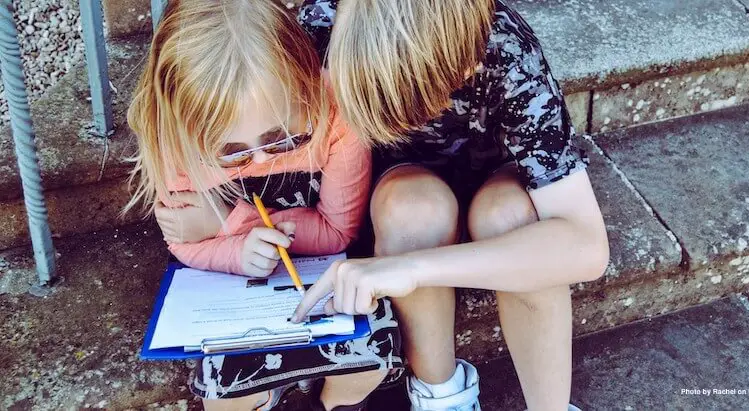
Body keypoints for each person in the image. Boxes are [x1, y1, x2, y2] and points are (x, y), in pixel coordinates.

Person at [292, 1, 610, 410]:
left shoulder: (502, 45)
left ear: (464, 66)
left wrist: (414, 268)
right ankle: (442, 396)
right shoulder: (322, 26)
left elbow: (585, 245)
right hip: (400, 197)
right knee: (411, 209)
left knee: (509, 215)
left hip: (496, 182)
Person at [124, 1, 402, 409]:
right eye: (231, 153)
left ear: (307, 83)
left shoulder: (337, 113)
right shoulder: (174, 144)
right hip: (236, 295)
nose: (259, 161)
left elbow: (338, 232)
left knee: (368, 360)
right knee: (227, 395)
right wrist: (238, 250)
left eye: (283, 138)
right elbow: (184, 241)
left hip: (324, 283)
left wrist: (229, 219)